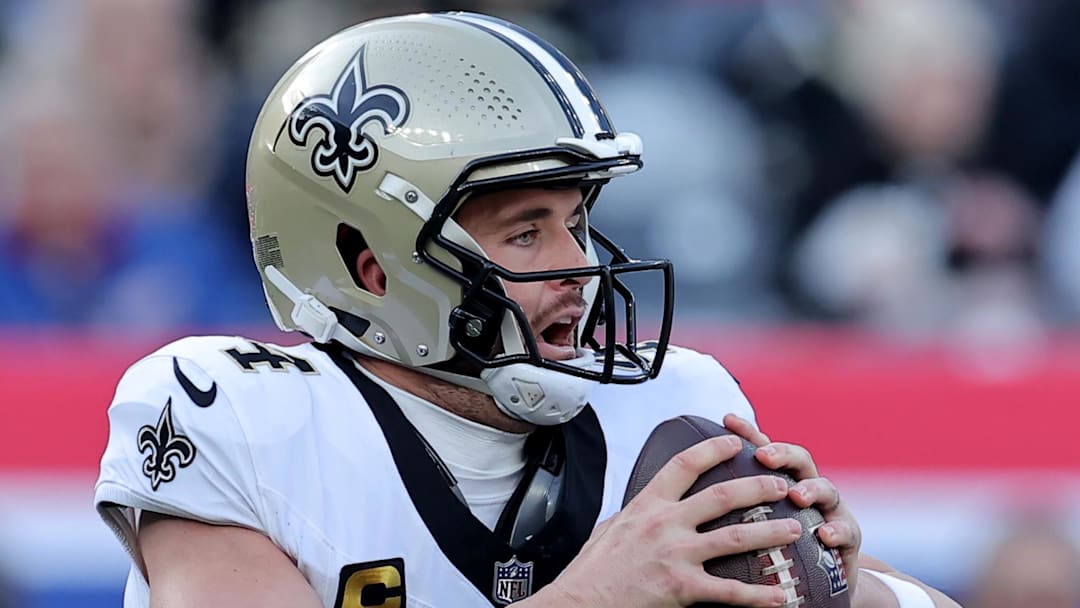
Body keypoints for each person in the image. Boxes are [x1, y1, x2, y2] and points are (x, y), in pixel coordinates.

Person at [95, 12, 961, 608]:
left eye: (579, 223)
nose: (579, 266)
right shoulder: (238, 412)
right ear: (370, 266)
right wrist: (592, 595)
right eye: (526, 233)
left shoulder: (666, 406)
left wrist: (849, 587)